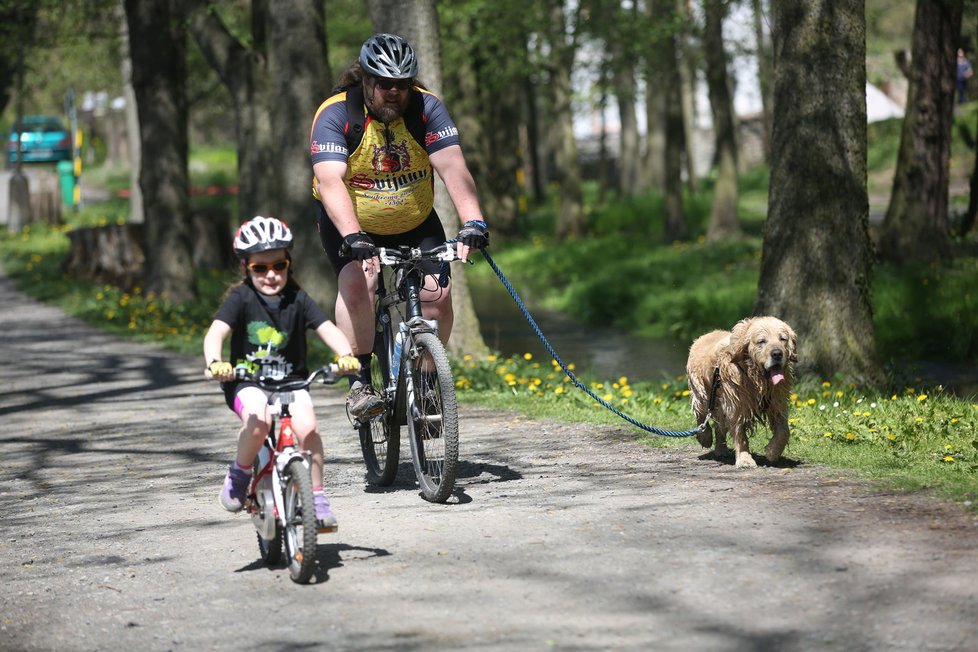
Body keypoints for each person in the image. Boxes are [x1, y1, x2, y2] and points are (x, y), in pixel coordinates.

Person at [309, 32, 490, 421]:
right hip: (352, 223)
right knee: (360, 285)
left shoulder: (426, 109)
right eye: (384, 83)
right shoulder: (336, 113)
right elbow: (329, 181)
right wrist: (354, 236)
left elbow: (453, 167)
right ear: (366, 80)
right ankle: (359, 382)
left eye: (402, 85)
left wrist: (472, 219)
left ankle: (426, 387)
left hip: (414, 217)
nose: (394, 92)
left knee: (437, 298)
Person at [203, 215, 360, 533]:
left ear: (288, 264)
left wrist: (346, 355)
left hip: (292, 382)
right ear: (246, 268)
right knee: (259, 421)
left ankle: (316, 497)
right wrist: (215, 362)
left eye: (278, 266)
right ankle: (240, 472)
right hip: (249, 382)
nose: (271, 275)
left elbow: (328, 329)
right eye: (260, 268)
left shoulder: (297, 299)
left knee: (309, 429)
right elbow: (216, 333)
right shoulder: (241, 298)